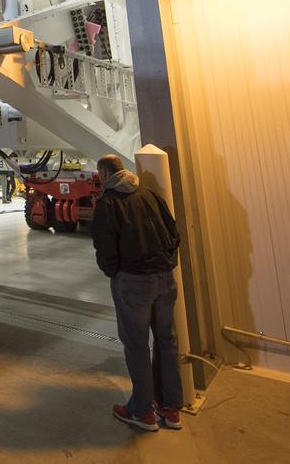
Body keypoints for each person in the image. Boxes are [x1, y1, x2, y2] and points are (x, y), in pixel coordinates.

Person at [92, 153, 183, 432]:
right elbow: (173, 231)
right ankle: (171, 408)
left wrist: (115, 272)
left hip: (133, 282)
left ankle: (142, 412)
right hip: (165, 278)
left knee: (136, 344)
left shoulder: (108, 203)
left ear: (105, 174)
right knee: (166, 341)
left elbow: (105, 248)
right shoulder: (149, 194)